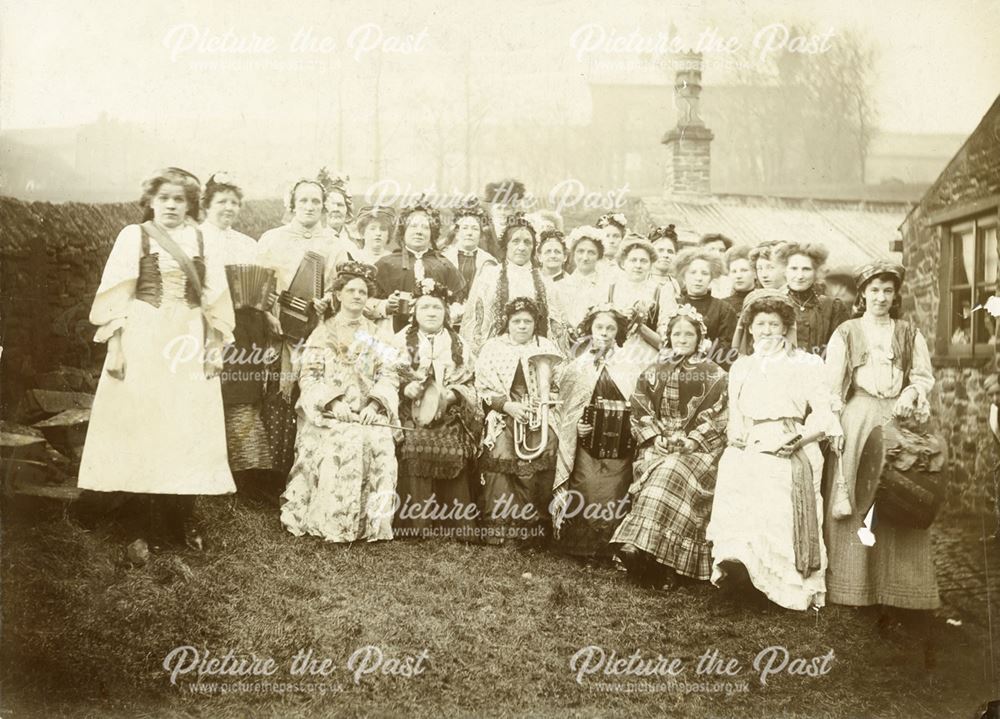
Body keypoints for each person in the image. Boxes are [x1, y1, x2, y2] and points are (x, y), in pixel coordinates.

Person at [78, 167, 235, 551]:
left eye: (179, 199)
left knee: (186, 428)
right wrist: (114, 348)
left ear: (190, 204)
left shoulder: (203, 239)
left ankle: (181, 520)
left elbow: (215, 299)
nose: (170, 205)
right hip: (143, 339)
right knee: (141, 426)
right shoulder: (134, 237)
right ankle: (137, 527)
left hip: (188, 341)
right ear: (150, 200)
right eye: (163, 198)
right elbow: (117, 296)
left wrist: (214, 349)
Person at [707, 290, 841, 610]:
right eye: (760, 324)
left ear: (786, 328)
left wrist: (802, 439)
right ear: (749, 328)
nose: (766, 330)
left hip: (791, 438)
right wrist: (737, 437)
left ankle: (780, 585)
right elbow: (736, 416)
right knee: (735, 474)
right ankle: (742, 578)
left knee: (772, 482)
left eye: (774, 324)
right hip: (751, 440)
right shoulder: (742, 366)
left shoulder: (806, 363)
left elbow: (824, 412)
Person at [823, 261, 938, 611]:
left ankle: (899, 590)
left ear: (895, 295)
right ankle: (851, 587)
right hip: (859, 418)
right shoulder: (847, 331)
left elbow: (922, 377)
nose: (881, 297)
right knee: (858, 498)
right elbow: (831, 385)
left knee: (900, 496)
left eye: (888, 290)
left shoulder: (908, 333)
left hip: (898, 420)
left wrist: (910, 393)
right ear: (863, 294)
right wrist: (834, 422)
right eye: (874, 290)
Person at [280, 262, 400, 543]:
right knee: (341, 439)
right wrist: (332, 404)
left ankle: (370, 526)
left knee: (379, 438)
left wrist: (374, 405)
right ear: (338, 295)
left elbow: (389, 374)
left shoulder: (379, 334)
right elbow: (309, 377)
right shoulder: (321, 333)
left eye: (362, 291)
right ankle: (333, 523)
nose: (357, 296)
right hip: (329, 414)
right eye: (351, 290)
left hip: (367, 413)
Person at [611, 306, 728, 587]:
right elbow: (639, 406)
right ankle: (650, 556)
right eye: (677, 333)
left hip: (699, 449)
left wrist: (690, 441)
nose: (683, 339)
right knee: (662, 464)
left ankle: (657, 558)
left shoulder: (716, 374)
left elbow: (722, 417)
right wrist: (654, 437)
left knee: (672, 470)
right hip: (661, 443)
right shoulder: (654, 370)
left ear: (700, 338)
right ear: (668, 337)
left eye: (690, 334)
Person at [257, 177, 357, 476]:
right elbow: (258, 284)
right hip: (277, 327)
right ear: (292, 204)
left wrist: (329, 299)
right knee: (276, 393)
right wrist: (270, 313)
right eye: (304, 200)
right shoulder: (272, 238)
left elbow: (341, 286)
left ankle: (306, 471)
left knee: (310, 390)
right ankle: (268, 472)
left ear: (324, 206)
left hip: (316, 330)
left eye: (316, 201)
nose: (310, 206)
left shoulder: (334, 244)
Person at [199, 172, 277, 500]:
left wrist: (267, 306)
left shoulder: (248, 243)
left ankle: (248, 475)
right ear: (206, 206)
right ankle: (209, 470)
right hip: (209, 326)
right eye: (222, 202)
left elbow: (261, 288)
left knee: (245, 393)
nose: (229, 208)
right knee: (212, 393)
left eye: (234, 202)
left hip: (247, 327)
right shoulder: (195, 238)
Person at [390, 278, 483, 540]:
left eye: (437, 308)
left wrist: (452, 395)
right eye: (425, 308)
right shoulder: (399, 342)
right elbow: (385, 375)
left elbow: (472, 383)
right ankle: (415, 524)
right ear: (415, 313)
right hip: (410, 411)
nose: (431, 313)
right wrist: (404, 390)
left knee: (451, 440)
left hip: (450, 412)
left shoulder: (460, 345)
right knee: (415, 440)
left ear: (446, 313)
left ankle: (455, 524)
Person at [551, 305, 640, 557]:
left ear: (618, 332)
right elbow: (568, 408)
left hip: (621, 442)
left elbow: (638, 401)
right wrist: (578, 426)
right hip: (587, 442)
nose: (604, 332)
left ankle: (609, 547)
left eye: (610, 328)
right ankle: (580, 547)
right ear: (590, 329)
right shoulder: (577, 366)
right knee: (586, 482)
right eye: (599, 327)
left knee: (616, 485)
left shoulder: (628, 363)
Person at [475, 298, 563, 545]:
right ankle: (501, 531)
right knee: (502, 453)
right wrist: (508, 406)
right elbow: (482, 387)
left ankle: (534, 531)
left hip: (539, 414)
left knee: (547, 448)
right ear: (508, 323)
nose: (522, 326)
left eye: (528, 321)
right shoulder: (493, 347)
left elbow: (559, 384)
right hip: (505, 413)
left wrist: (545, 400)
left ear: (536, 323)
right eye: (517, 321)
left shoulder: (546, 345)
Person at [461, 213, 571, 359]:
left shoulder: (545, 282)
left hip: (536, 353)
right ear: (506, 245)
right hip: (496, 355)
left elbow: (556, 328)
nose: (521, 247)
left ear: (533, 248)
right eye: (515, 241)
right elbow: (476, 322)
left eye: (527, 242)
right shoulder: (489, 277)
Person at [370, 198, 465, 334]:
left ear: (432, 234)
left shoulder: (445, 265)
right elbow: (365, 300)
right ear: (404, 232)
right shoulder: (385, 264)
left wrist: (446, 313)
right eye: (413, 226)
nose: (419, 232)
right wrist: (386, 305)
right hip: (393, 333)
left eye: (425, 227)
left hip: (436, 333)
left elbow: (460, 303)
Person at [606, 235, 678, 372]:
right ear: (623, 263)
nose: (638, 265)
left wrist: (640, 325)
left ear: (651, 265)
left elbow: (666, 341)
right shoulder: (610, 289)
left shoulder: (661, 291)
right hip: (613, 353)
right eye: (633, 260)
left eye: (644, 261)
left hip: (647, 356)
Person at [664, 248, 738, 369]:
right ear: (683, 276)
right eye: (693, 272)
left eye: (704, 273)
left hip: (711, 370)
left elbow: (730, 351)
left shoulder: (724, 309)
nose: (698, 278)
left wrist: (708, 346)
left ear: (711, 278)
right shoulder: (674, 306)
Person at [776, 242, 850, 356]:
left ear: (815, 272)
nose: (800, 276)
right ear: (784, 271)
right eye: (794, 269)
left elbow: (842, 349)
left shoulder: (833, 307)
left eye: (806, 269)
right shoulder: (775, 305)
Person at [441, 200, 500, 319]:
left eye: (474, 229)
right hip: (448, 315)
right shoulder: (444, 259)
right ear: (457, 233)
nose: (469, 233)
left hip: (478, 316)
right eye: (465, 228)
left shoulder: (489, 262)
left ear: (481, 235)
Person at [559, 226, 611, 328]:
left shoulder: (606, 285)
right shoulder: (562, 284)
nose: (585, 257)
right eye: (580, 251)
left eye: (591, 252)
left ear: (599, 256)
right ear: (573, 254)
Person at [698, 233, 734, 299]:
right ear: (702, 252)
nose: (717, 254)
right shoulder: (696, 278)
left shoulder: (731, 280)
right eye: (712, 249)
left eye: (722, 250)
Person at [649, 225, 682, 296]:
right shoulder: (643, 279)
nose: (666, 255)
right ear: (650, 253)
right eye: (660, 250)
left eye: (670, 251)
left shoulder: (675, 284)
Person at [723, 244, 755, 315]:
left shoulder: (764, 299)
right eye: (734, 271)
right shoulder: (722, 306)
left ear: (754, 272)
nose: (738, 276)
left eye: (744, 270)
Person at [596, 212, 627, 281]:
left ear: (622, 238)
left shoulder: (627, 265)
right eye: (607, 236)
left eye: (616, 236)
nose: (611, 241)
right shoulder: (593, 264)